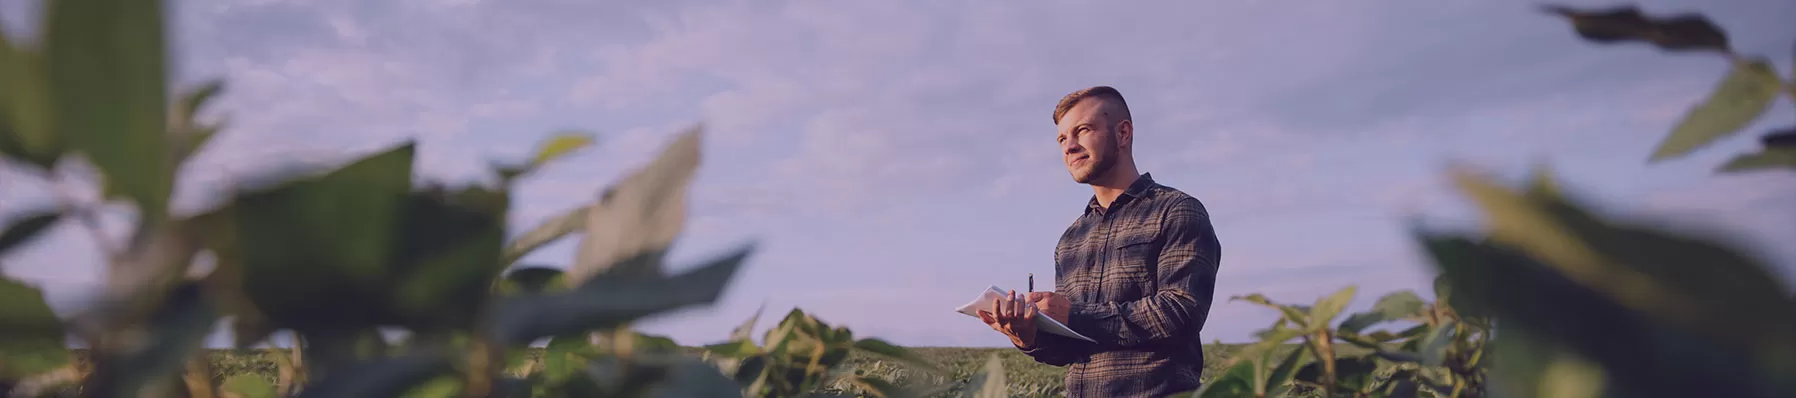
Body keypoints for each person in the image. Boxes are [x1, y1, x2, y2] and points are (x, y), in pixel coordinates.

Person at [977, 86, 1222, 397]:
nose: (1069, 146)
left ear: (1123, 133)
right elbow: (1070, 348)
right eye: (1062, 139)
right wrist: (1029, 336)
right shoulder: (1071, 239)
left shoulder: (1176, 211)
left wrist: (1072, 314)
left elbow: (1181, 312)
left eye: (1083, 130)